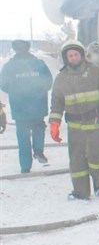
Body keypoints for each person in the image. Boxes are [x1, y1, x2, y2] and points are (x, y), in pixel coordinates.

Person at [49, 40, 99, 200]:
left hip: (95, 123)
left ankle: (98, 185)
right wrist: (54, 123)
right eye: (70, 56)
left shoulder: (96, 73)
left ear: (82, 55)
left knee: (96, 158)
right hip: (75, 127)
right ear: (66, 58)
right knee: (76, 161)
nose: (73, 58)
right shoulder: (61, 79)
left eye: (76, 54)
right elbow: (57, 104)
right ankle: (80, 192)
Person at [0, 40, 53, 173]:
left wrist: (15, 91)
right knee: (39, 127)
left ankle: (25, 166)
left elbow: (3, 84)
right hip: (38, 103)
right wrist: (39, 91)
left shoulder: (9, 66)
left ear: (15, 49)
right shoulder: (38, 64)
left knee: (22, 136)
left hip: (19, 106)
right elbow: (48, 81)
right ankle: (38, 151)